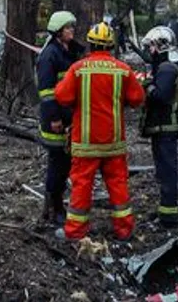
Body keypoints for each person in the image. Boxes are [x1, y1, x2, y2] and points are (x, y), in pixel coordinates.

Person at [54, 22, 145, 241]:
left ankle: (75, 232)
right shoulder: (123, 70)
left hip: (85, 143)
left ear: (91, 44)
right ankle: (124, 230)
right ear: (111, 45)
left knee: (81, 187)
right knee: (118, 185)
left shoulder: (78, 69)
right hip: (113, 142)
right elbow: (137, 99)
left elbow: (62, 96)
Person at [36, 10, 83, 225]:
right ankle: (53, 208)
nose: (71, 30)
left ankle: (57, 205)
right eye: (67, 27)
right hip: (55, 121)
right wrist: (55, 118)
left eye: (72, 26)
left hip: (70, 118)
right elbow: (46, 93)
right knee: (58, 164)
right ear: (57, 32)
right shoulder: (49, 56)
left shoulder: (70, 52)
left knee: (65, 164)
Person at [140, 26, 178, 228]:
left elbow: (160, 96)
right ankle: (164, 209)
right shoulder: (167, 67)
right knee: (163, 171)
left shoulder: (167, 69)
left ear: (159, 46)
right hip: (163, 127)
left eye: (150, 47)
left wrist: (147, 86)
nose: (149, 52)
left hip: (166, 127)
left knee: (167, 171)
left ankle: (168, 216)